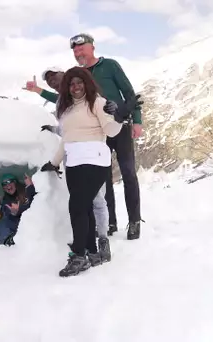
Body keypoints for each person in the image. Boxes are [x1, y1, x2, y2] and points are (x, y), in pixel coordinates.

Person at [27, 33, 144, 240]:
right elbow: (65, 98)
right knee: (104, 179)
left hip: (120, 125)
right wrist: (38, 91)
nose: (78, 52)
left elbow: (128, 92)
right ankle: (110, 221)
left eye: (82, 48)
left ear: (92, 47)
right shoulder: (77, 75)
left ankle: (134, 221)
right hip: (97, 131)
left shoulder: (110, 66)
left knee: (128, 173)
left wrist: (137, 120)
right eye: (74, 50)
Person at [40, 66, 139, 277]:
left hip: (95, 160)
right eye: (72, 83)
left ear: (87, 83)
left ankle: (78, 255)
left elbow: (110, 130)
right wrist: (55, 161)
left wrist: (120, 116)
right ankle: (93, 253)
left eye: (79, 82)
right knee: (83, 208)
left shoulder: (98, 102)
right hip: (74, 161)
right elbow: (66, 137)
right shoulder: (66, 109)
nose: (76, 87)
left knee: (77, 206)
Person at [0, 173, 36, 244]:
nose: (7, 185)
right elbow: (7, 211)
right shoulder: (6, 199)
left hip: (32, 223)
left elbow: (36, 203)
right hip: (18, 226)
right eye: (4, 184)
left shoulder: (26, 191)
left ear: (15, 182)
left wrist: (30, 187)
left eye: (9, 182)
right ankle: (8, 240)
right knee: (3, 223)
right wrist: (14, 213)